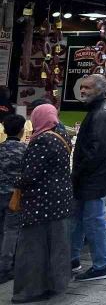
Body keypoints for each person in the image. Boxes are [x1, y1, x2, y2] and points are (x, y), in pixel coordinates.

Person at [12, 104, 72, 302]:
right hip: (59, 201)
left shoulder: (42, 141)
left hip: (40, 203)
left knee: (33, 246)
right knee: (55, 245)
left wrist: (16, 182)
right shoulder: (61, 134)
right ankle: (54, 284)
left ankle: (31, 289)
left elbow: (30, 174)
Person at [71, 74, 106, 281]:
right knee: (79, 218)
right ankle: (71, 258)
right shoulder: (99, 110)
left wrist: (79, 170)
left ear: (99, 89)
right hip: (91, 175)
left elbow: (97, 150)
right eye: (82, 87)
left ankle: (102, 264)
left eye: (87, 88)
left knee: (93, 220)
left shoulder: (101, 113)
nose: (83, 91)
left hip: (94, 176)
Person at [0, 114, 26, 284]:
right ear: (22, 130)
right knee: (11, 231)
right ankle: (5, 267)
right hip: (14, 197)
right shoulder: (25, 150)